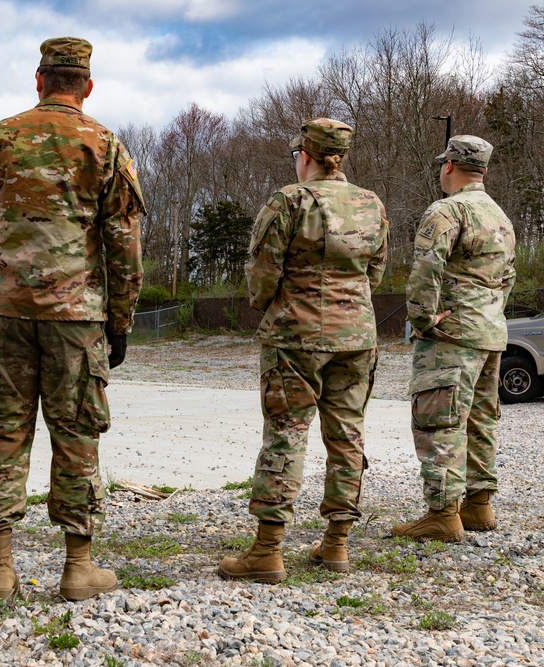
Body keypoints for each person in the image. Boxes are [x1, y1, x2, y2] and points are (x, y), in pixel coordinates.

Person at [0, 36, 145, 601]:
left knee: (1, 432)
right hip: (75, 316)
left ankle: (1, 569)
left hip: (5, 311)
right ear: (86, 86)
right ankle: (77, 568)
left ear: (38, 80)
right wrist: (120, 319)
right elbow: (124, 242)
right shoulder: (104, 143)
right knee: (76, 434)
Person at [218, 118, 388, 583]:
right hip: (356, 336)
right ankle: (336, 545)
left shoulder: (290, 201)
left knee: (286, 433)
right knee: (347, 434)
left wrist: (272, 304)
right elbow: (376, 271)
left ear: (306, 155)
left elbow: (262, 271)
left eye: (297, 154)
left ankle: (268, 551)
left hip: (295, 336)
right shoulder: (371, 204)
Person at [392, 136, 516, 542]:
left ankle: (443, 513)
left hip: (453, 335)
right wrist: (489, 312)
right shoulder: (500, 216)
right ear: (484, 170)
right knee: (480, 420)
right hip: (489, 331)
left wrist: (424, 320)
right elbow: (508, 277)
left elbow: (426, 268)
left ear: (449, 165)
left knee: (439, 419)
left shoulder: (447, 210)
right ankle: (479, 506)